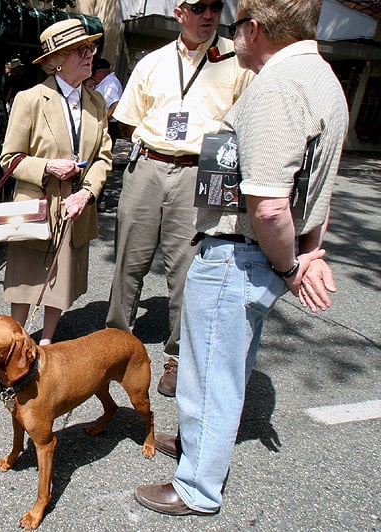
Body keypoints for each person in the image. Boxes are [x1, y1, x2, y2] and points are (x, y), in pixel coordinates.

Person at [134, 0, 348, 516]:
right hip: (254, 256)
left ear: (254, 30)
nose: (231, 38)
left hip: (239, 254)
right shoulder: (323, 79)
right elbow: (317, 187)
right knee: (220, 366)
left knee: (212, 373)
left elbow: (272, 205)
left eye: (236, 28)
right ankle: (197, 447)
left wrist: (291, 266)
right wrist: (311, 249)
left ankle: (196, 489)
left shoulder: (277, 86)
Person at [105, 0, 253, 397]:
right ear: (179, 12)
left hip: (200, 170)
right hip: (148, 165)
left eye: (216, 7)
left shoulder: (236, 63)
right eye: (200, 7)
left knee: (189, 269)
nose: (209, 14)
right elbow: (129, 120)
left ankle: (177, 355)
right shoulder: (152, 62)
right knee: (127, 262)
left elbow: (245, 126)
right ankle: (115, 345)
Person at [0, 18, 113, 345]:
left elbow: (104, 157)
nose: (90, 53)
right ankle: (14, 344)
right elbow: (10, 159)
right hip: (36, 208)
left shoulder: (96, 102)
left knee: (59, 286)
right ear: (57, 60)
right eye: (80, 50)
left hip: (74, 210)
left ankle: (47, 342)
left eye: (90, 47)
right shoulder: (31, 99)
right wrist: (48, 167)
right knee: (23, 284)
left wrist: (87, 194)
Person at [90, 58, 122, 143]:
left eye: (94, 75)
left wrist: (103, 122)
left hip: (107, 125)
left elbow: (115, 105)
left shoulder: (109, 83)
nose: (93, 78)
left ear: (102, 73)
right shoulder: (106, 82)